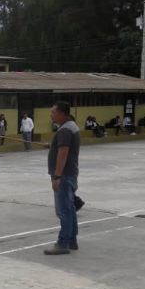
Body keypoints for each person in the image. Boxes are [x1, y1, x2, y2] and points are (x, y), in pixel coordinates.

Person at [45, 102, 81, 255]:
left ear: (62, 113)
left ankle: (63, 243)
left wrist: (57, 176)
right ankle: (72, 240)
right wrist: (53, 146)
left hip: (64, 176)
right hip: (70, 174)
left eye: (53, 112)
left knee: (64, 210)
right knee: (70, 209)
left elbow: (63, 153)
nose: (51, 115)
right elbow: (63, 149)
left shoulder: (65, 130)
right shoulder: (71, 126)